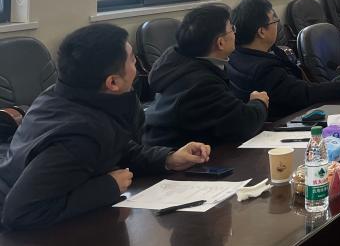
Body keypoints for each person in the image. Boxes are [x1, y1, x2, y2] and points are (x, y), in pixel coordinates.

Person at [0, 24, 210, 231]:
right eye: (132, 59)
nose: (136, 65)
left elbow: (113, 147)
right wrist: (108, 186)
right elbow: (20, 212)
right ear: (113, 83)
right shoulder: (78, 137)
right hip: (30, 239)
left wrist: (167, 159)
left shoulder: (66, 95)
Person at [227, 0, 340, 119]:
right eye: (275, 21)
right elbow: (306, 94)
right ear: (261, 32)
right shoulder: (264, 69)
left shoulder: (235, 56)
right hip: (287, 124)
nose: (277, 25)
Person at [144, 4, 269, 147]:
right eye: (232, 29)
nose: (235, 33)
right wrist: (259, 102)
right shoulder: (201, 83)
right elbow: (243, 125)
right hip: (177, 155)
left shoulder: (180, 62)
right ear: (220, 43)